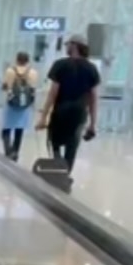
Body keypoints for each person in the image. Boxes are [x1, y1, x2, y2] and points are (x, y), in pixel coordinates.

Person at [37, 35, 100, 172]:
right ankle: (66, 172)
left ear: (74, 45)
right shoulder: (92, 68)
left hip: (61, 110)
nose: (66, 47)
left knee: (54, 141)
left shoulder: (60, 65)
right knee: (72, 145)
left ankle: (57, 163)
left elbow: (53, 93)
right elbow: (93, 98)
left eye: (68, 44)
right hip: (79, 113)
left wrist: (43, 117)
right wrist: (93, 124)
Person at [0, 50, 38, 161]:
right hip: (24, 106)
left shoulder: (10, 71)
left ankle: (8, 151)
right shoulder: (33, 72)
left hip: (11, 104)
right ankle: (15, 152)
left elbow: (5, 86)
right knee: (19, 129)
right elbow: (33, 90)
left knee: (6, 128)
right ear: (27, 60)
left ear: (17, 59)